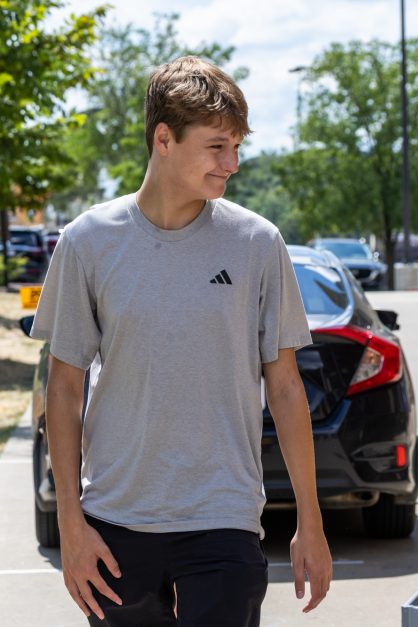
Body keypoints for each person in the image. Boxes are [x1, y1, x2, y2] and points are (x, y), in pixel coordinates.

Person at [30, 56, 332, 625]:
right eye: (218, 147)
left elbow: (286, 388)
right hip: (114, 521)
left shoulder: (257, 242)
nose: (233, 163)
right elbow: (63, 389)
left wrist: (309, 522)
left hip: (224, 518)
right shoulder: (87, 242)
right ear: (163, 139)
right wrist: (70, 523)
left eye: (238, 147)